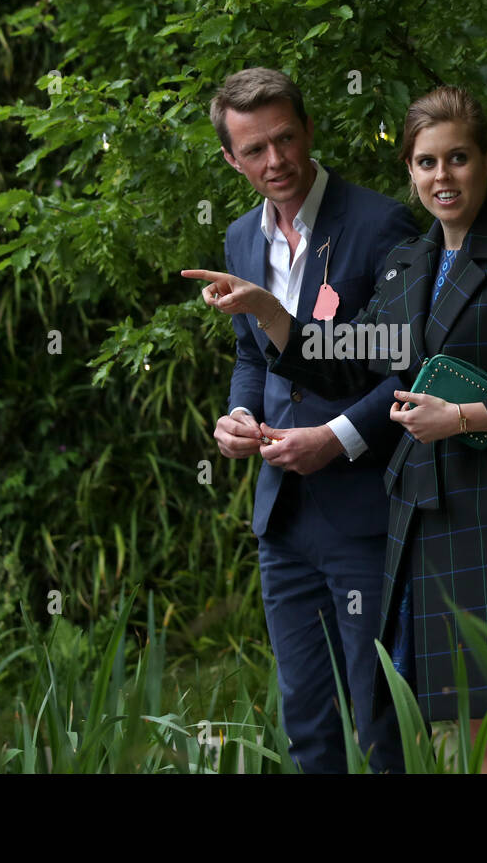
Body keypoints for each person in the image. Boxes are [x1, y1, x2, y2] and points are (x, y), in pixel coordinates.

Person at [188, 86, 487, 772]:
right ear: (410, 170)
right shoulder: (408, 265)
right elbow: (350, 358)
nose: (442, 176)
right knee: (444, 732)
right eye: (427, 162)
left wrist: (461, 417)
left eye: (457, 158)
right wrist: (268, 313)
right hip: (421, 526)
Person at [202, 67, 417, 773]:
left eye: (286, 139)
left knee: (381, 721)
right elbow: (252, 357)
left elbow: (403, 365)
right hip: (281, 518)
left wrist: (337, 438)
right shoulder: (240, 238)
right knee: (306, 728)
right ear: (231, 158)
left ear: (309, 130)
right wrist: (237, 414)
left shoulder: (380, 222)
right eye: (255, 150)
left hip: (362, 507)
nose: (276, 162)